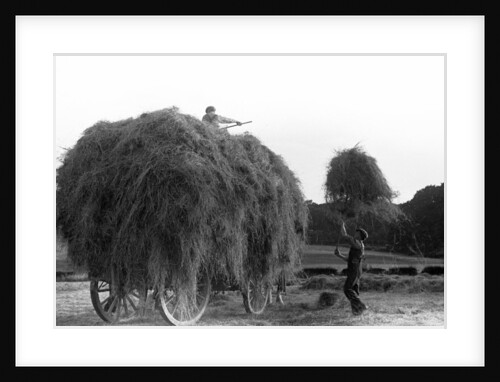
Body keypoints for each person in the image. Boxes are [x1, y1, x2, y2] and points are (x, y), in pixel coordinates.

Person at [333, 221, 369, 316]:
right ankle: (357, 312)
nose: (355, 233)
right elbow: (349, 259)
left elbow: (344, 235)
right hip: (355, 271)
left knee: (347, 289)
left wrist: (342, 225)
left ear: (360, 236)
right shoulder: (358, 245)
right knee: (354, 291)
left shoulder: (357, 243)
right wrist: (339, 255)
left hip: (355, 271)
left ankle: (361, 305)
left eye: (357, 232)